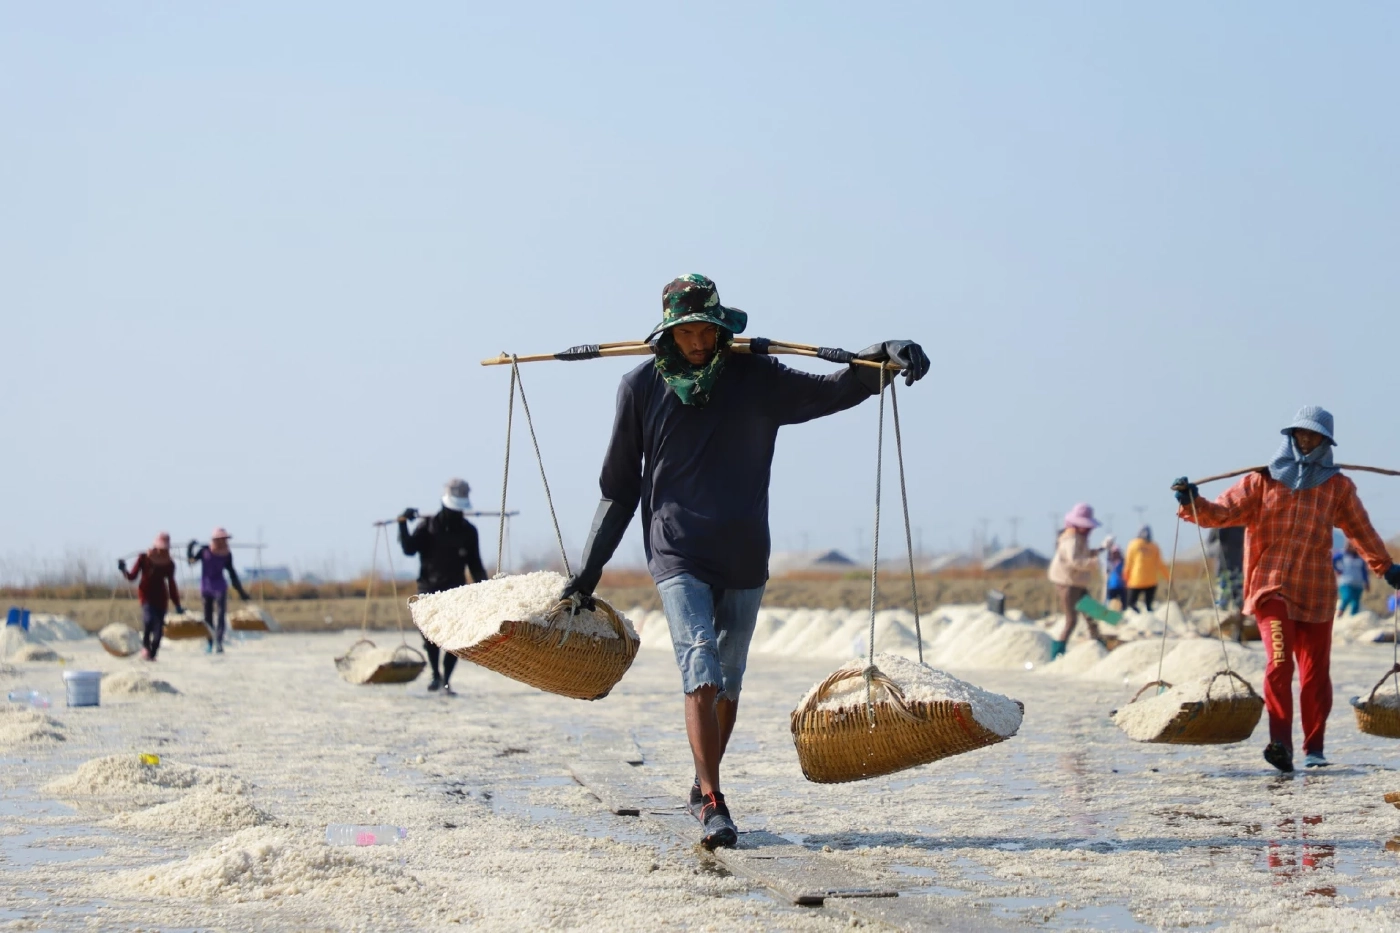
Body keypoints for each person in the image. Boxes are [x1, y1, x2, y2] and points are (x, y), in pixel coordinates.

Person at [558, 273, 929, 849]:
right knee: (700, 663)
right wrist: (586, 573)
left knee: (729, 678)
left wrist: (885, 356)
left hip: (745, 553)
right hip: (676, 547)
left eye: (708, 329)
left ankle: (703, 780)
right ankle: (712, 800)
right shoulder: (639, 388)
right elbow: (618, 490)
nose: (700, 342)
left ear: (723, 326)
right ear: (669, 333)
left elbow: (834, 389)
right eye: (688, 333)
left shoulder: (757, 377)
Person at [1174, 406, 1400, 773]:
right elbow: (1219, 513)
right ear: (1290, 437)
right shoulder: (1261, 481)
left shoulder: (1337, 486)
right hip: (1270, 587)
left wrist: (1385, 566)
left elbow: (1360, 530)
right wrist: (1191, 502)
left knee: (1314, 674)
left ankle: (1315, 749)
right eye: (1300, 434)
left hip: (1316, 592)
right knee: (1279, 662)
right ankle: (1280, 743)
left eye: (1314, 436)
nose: (1306, 441)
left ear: (1326, 442)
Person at [399, 478, 488, 694]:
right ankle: (435, 675)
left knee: (453, 640)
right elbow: (409, 549)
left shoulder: (468, 532)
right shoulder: (427, 527)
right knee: (430, 637)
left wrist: (486, 591)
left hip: (456, 592)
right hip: (428, 590)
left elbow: (475, 565)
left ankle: (447, 679)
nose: (457, 514)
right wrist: (402, 522)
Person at [1047, 504, 1105, 659]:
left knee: (1092, 612)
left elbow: (1084, 553)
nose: (1090, 530)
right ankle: (1057, 653)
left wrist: (1100, 550)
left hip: (1077, 582)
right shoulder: (1070, 539)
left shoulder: (1079, 538)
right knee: (1071, 620)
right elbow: (1074, 560)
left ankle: (1100, 643)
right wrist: (1092, 563)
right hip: (1067, 583)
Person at [118, 533, 183, 661]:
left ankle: (152, 654)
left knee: (158, 629)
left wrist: (177, 604)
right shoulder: (143, 558)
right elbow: (132, 577)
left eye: (165, 549)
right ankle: (145, 648)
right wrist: (123, 569)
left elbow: (171, 585)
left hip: (161, 598)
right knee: (148, 621)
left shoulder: (169, 564)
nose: (162, 551)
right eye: (160, 548)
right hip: (146, 596)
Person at [187, 528, 251, 654]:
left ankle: (219, 642)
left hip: (220, 586)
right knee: (208, 616)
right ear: (215, 540)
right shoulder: (205, 551)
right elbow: (191, 562)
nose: (224, 542)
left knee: (221, 615)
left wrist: (241, 592)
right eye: (221, 539)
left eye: (225, 539)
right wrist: (190, 549)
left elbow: (232, 573)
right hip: (206, 587)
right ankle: (210, 642)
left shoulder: (227, 554)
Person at [1124, 526, 1171, 612]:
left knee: (1131, 605)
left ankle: (1137, 619)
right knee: (1149, 606)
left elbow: (1128, 563)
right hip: (1151, 581)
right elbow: (1160, 564)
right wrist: (1168, 577)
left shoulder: (1133, 544)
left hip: (1136, 580)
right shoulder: (1154, 546)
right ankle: (1150, 619)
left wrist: (1125, 578)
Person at [1333, 543, 1370, 617]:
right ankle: (1339, 614)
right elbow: (1332, 560)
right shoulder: (1343, 554)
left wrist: (1366, 582)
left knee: (1355, 603)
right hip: (1346, 582)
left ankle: (1352, 618)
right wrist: (1337, 570)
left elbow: (1364, 571)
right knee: (1346, 597)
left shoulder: (1360, 557)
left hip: (1358, 583)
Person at [1102, 535, 1127, 610]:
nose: (1116, 554)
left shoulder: (1123, 562)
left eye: (1117, 552)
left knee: (1124, 603)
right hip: (1111, 586)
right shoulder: (1109, 563)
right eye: (1114, 552)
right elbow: (1106, 572)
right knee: (1110, 602)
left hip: (1121, 586)